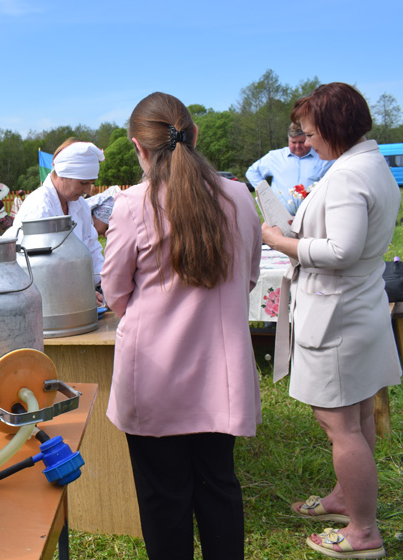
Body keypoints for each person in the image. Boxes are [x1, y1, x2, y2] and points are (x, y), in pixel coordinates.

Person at [102, 92, 262, 559]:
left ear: (138, 147)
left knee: (162, 500)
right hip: (221, 376)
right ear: (194, 134)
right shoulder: (238, 196)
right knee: (219, 488)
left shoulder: (132, 204)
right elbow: (249, 276)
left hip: (154, 377)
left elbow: (115, 294)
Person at [263, 82, 401, 559]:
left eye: (309, 130)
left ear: (331, 127)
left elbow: (341, 251)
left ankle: (363, 532)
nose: (305, 139)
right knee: (357, 414)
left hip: (337, 313)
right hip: (356, 306)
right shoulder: (368, 163)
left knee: (338, 423)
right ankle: (347, 498)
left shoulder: (346, 176)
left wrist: (280, 242)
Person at [5, 139, 105, 301]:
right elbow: (42, 268)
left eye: (91, 183)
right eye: (83, 183)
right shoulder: (40, 207)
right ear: (63, 175)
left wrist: (106, 284)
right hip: (40, 297)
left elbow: (91, 247)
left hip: (68, 291)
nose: (87, 190)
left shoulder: (80, 205)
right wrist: (80, 294)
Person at [246, 122, 334, 215]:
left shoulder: (324, 157)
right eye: (293, 142)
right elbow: (252, 172)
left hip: (314, 216)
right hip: (280, 217)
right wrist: (265, 193)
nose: (297, 146)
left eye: (301, 142)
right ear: (288, 140)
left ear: (308, 139)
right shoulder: (275, 157)